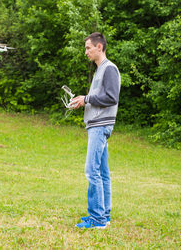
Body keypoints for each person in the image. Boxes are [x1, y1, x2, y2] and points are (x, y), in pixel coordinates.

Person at [69, 32, 121, 229]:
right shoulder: (100, 70)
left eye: (88, 48)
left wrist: (87, 99)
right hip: (97, 126)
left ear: (100, 47)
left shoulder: (109, 69)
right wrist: (83, 101)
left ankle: (97, 219)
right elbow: (100, 98)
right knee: (102, 172)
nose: (86, 52)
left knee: (92, 171)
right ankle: (104, 215)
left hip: (100, 127)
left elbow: (111, 97)